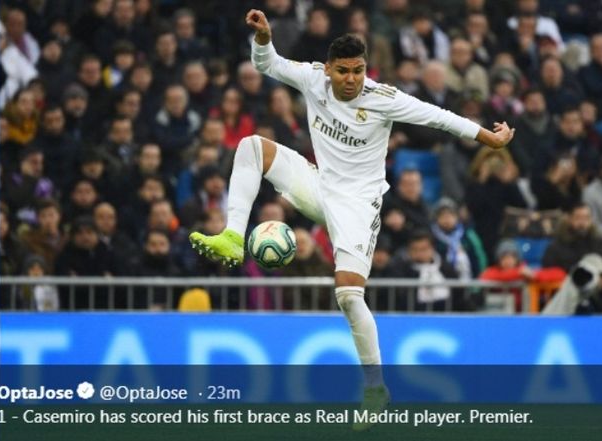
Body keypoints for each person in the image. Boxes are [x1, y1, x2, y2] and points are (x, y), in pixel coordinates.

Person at [189, 10, 515, 429]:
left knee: (347, 296)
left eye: (358, 71)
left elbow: (438, 116)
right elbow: (266, 65)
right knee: (252, 146)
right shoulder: (312, 79)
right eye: (343, 71)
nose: (351, 79)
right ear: (328, 70)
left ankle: (375, 389)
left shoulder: (383, 98)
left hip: (359, 204)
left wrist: (487, 137)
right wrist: (265, 38)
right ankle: (234, 236)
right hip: (320, 184)